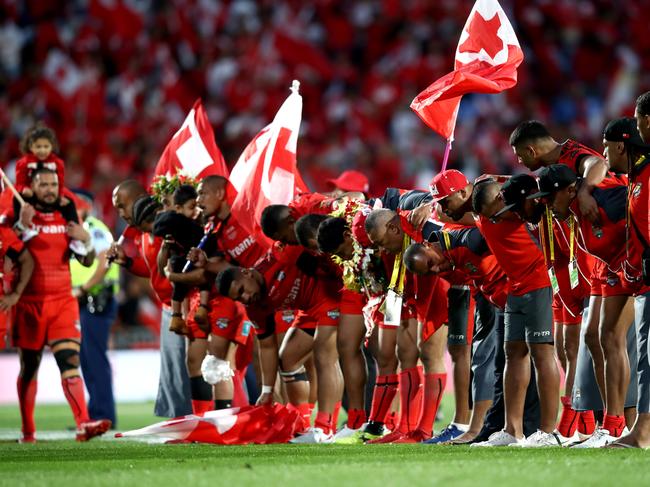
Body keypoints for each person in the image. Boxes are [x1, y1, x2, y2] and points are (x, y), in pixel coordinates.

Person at [536, 164, 635, 447]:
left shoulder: (604, 200)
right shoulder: (574, 212)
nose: (547, 205)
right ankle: (610, 424)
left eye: (549, 198)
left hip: (628, 273)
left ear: (570, 191)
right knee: (597, 337)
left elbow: (635, 218)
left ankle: (617, 425)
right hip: (612, 272)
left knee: (611, 340)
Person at [11, 168, 110, 442]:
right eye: (44, 184)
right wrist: (19, 226)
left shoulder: (68, 216)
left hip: (62, 302)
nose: (50, 189)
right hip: (29, 303)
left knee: (70, 362)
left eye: (54, 184)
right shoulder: (21, 214)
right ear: (32, 186)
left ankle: (83, 424)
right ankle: (28, 431)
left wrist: (87, 240)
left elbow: (88, 262)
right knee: (29, 366)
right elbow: (6, 252)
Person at [215, 244, 342, 444]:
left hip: (331, 297)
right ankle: (302, 426)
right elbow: (266, 346)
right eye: (239, 297)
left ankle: (326, 428)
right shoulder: (255, 307)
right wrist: (267, 391)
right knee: (288, 359)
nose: (246, 297)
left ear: (247, 273)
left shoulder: (278, 258)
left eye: (242, 290)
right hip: (309, 309)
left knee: (324, 356)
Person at [470, 176, 560, 447]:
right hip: (515, 291)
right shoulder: (489, 216)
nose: (492, 220)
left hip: (538, 285)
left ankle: (547, 432)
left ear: (501, 199)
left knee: (542, 353)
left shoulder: (520, 207)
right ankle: (512, 430)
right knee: (513, 354)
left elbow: (531, 185)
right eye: (487, 217)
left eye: (494, 215)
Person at [108, 181, 192, 418]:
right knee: (174, 371)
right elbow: (153, 270)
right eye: (117, 209)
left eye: (122, 206)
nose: (121, 213)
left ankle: (207, 417)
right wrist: (127, 263)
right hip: (168, 306)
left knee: (191, 366)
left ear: (139, 199)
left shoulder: (167, 227)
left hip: (184, 305)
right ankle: (182, 422)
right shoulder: (143, 234)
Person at [613, 91, 650, 448]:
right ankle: (641, 430)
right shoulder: (639, 173)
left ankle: (641, 433)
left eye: (639, 121)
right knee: (646, 358)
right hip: (643, 281)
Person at [70, 190, 120, 427]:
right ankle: (95, 414)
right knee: (87, 360)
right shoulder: (74, 230)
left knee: (95, 359)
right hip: (81, 301)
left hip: (94, 300)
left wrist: (83, 288)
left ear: (86, 206)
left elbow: (104, 261)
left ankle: (104, 416)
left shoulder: (93, 228)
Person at [509, 119, 608, 224]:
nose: (519, 161)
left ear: (530, 151)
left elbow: (599, 163)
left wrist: (584, 193)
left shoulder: (571, 156)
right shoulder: (555, 167)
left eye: (519, 156)